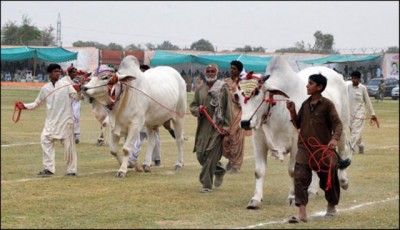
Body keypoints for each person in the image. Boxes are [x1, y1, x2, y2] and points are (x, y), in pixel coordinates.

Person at [286, 73, 343, 223]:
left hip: (323, 149)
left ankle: (331, 205)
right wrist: (292, 110)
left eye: (310, 83)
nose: (307, 85)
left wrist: (334, 140)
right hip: (304, 148)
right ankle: (302, 213)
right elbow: (297, 124)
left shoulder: (328, 105)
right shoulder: (305, 104)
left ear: (319, 87)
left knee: (328, 180)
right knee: (299, 177)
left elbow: (338, 124)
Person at [15, 63, 82, 176]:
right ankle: (49, 169)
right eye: (55, 71)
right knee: (45, 140)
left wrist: (79, 90)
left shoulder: (66, 85)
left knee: (69, 147)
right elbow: (37, 103)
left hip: (66, 121)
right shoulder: (45, 88)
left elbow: (76, 97)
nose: (58, 73)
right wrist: (24, 106)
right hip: (51, 122)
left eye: (59, 71)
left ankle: (71, 170)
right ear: (49, 74)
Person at [190, 63, 232, 193]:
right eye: (208, 71)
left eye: (212, 71)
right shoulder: (200, 89)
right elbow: (192, 106)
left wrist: (226, 127)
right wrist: (198, 110)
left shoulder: (223, 88)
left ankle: (206, 185)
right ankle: (219, 170)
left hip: (217, 127)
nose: (210, 73)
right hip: (203, 126)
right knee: (200, 155)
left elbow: (228, 108)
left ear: (217, 73)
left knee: (210, 155)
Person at [223, 60, 246, 173]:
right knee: (226, 139)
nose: (232, 70)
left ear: (239, 71)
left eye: (234, 69)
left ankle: (236, 165)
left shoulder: (243, 83)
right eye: (231, 68)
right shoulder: (225, 82)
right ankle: (231, 161)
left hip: (239, 114)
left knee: (238, 140)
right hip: (227, 114)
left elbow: (244, 99)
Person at [348, 71, 378, 154]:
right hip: (350, 114)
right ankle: (361, 145)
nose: (353, 80)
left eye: (355, 78)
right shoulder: (348, 87)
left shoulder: (362, 88)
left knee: (355, 131)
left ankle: (350, 149)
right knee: (354, 130)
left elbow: (368, 101)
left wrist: (373, 114)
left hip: (360, 113)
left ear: (359, 79)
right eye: (352, 78)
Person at [64, 64, 83, 144]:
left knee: (76, 117)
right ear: (69, 73)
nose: (76, 74)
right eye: (74, 72)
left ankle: (76, 136)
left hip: (76, 101)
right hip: (67, 101)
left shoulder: (76, 80)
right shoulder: (64, 80)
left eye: (76, 72)